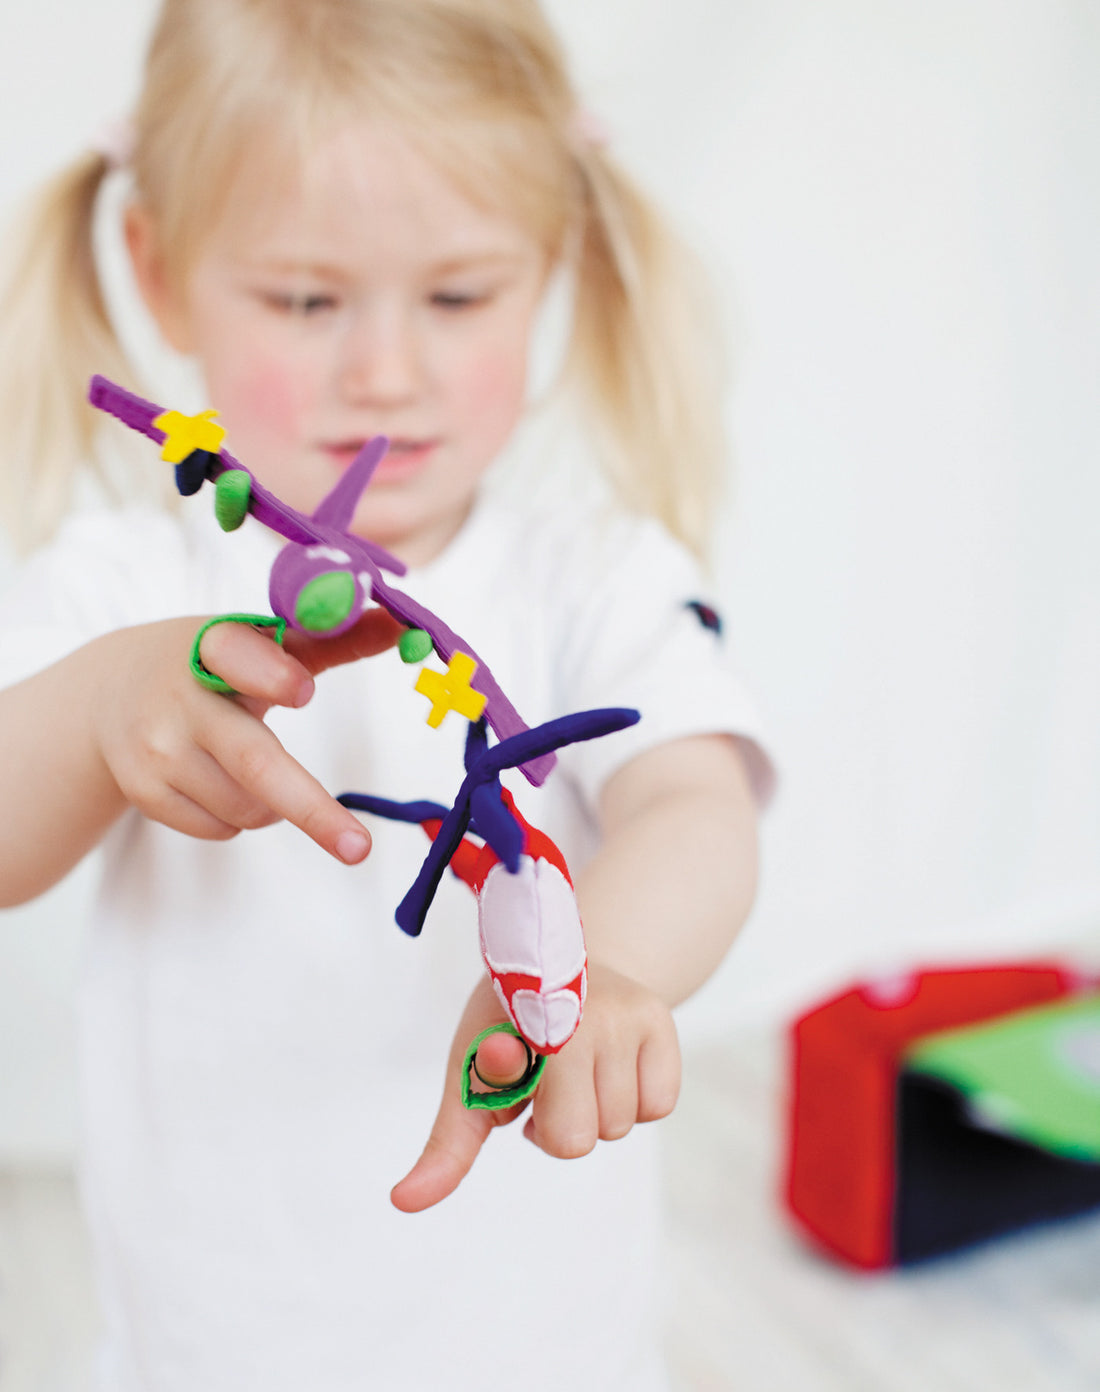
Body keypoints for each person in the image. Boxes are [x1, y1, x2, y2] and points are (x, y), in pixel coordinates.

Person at [0, 2, 771, 1388]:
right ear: (159, 276)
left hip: (546, 1355)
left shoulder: (593, 576)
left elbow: (696, 799)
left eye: (459, 296)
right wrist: (97, 712)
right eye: (306, 299)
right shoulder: (124, 581)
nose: (384, 372)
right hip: (205, 1352)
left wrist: (614, 966)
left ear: (551, 273)